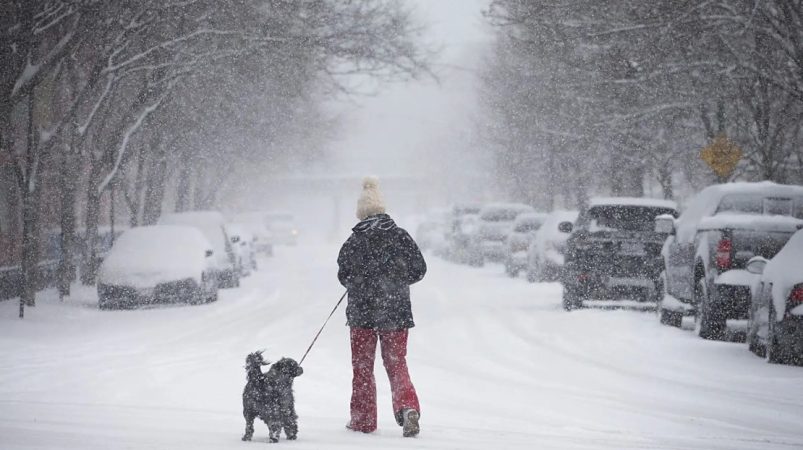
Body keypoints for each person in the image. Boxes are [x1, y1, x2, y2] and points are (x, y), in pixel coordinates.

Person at [337, 176, 427, 438]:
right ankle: (408, 407)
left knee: (363, 368)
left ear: (362, 213)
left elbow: (343, 275)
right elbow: (419, 269)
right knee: (397, 363)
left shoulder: (354, 241)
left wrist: (361, 282)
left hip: (362, 314)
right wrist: (396, 282)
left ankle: (363, 419)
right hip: (395, 312)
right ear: (383, 209)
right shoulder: (400, 236)